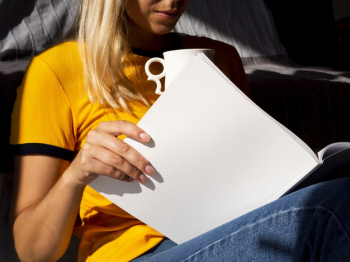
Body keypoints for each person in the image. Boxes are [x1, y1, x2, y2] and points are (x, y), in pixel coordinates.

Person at [8, 0, 350, 261]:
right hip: (134, 254)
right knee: (327, 208)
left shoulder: (221, 58)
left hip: (223, 230)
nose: (172, 2)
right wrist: (76, 176)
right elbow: (33, 252)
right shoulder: (57, 71)